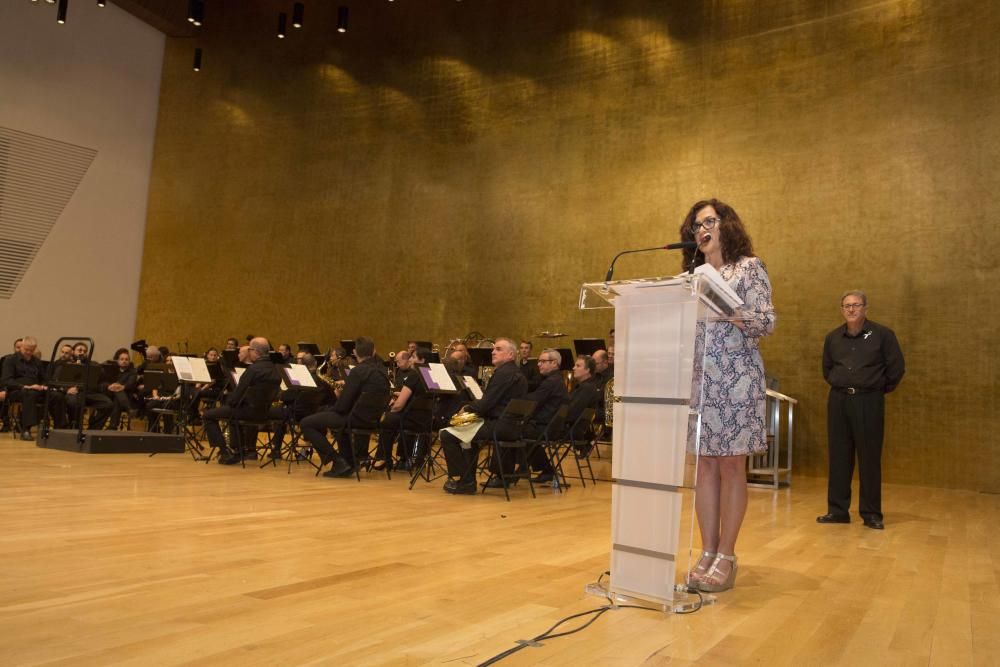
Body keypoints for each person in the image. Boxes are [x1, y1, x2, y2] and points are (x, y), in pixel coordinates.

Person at [678, 198, 775, 594]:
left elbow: (767, 321)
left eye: (709, 222)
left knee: (731, 466)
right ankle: (707, 550)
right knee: (704, 468)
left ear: (726, 225)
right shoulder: (692, 276)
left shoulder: (749, 267)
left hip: (736, 381)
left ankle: (727, 554)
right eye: (695, 226)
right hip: (701, 382)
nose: (701, 230)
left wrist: (729, 310)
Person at [818, 290, 905, 530]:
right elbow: (827, 370)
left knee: (869, 458)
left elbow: (896, 369)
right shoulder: (833, 338)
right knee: (838, 456)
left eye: (856, 305)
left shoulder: (883, 335)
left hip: (869, 401)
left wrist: (875, 389)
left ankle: (871, 513)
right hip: (838, 401)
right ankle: (837, 511)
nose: (851, 309)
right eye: (846, 306)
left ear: (866, 308)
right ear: (842, 309)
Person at [438, 338, 527, 495]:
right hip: (513, 427)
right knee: (467, 437)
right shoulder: (516, 373)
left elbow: (486, 405)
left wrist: (466, 407)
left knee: (447, 434)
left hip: (499, 426)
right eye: (493, 349)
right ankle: (468, 480)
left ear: (511, 355)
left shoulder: (503, 373)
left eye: (498, 349)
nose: (493, 351)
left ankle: (465, 481)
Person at [300, 336, 390, 478]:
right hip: (373, 421)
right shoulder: (383, 372)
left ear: (354, 352)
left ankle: (337, 461)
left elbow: (342, 406)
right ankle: (350, 463)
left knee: (307, 423)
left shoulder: (357, 371)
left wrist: (334, 404)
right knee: (336, 422)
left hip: (354, 419)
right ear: (374, 352)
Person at [203, 337, 281, 464]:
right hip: (264, 413)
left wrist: (229, 402)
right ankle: (239, 450)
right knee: (233, 415)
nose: (249, 352)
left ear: (255, 351)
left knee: (208, 415)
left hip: (248, 412)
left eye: (249, 349)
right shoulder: (276, 370)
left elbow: (236, 397)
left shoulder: (253, 370)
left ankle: (225, 452)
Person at [1, 336, 68, 438]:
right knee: (29, 393)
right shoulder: (10, 360)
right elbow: (6, 380)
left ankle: (60, 428)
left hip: (37, 390)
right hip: (17, 390)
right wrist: (26, 386)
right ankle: (26, 429)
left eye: (31, 350)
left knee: (57, 396)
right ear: (21, 347)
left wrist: (43, 386)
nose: (28, 352)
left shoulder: (36, 362)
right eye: (26, 349)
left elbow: (44, 379)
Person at [518, 348, 567, 483]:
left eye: (543, 361)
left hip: (545, 427)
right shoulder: (554, 379)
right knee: (520, 429)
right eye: (539, 361)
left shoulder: (552, 381)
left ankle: (512, 472)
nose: (539, 364)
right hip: (548, 426)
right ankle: (543, 470)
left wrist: (515, 398)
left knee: (513, 431)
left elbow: (534, 401)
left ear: (554, 363)